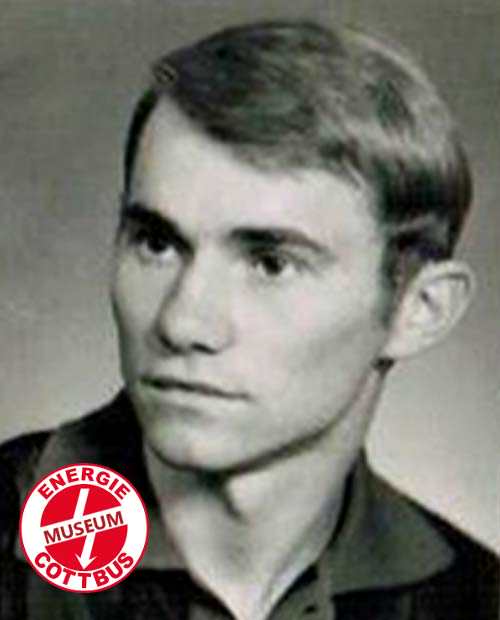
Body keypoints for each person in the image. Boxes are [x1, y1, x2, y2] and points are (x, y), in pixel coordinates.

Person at [0, 19, 498, 620]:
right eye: (157, 243)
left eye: (271, 263)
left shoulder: (476, 599)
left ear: (420, 310)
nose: (183, 323)